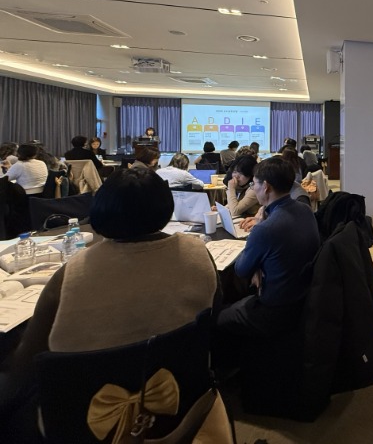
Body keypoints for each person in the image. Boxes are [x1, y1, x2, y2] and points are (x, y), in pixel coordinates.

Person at [5, 168, 220, 439]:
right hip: (178, 405)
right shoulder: (197, 253)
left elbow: (26, 363)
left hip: (81, 423)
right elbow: (211, 318)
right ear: (166, 207)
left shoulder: (74, 273)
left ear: (101, 210)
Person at [216, 157, 320, 338]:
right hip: (303, 299)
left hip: (274, 310)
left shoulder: (266, 229)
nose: (253, 188)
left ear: (266, 187)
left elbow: (241, 270)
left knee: (216, 318)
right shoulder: (305, 210)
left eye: (254, 184)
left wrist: (258, 229)